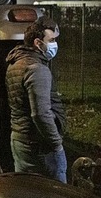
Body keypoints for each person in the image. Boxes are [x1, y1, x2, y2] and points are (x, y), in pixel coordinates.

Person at [5, 16, 67, 183]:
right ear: (38, 43)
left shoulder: (15, 62)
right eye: (52, 40)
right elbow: (40, 113)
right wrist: (56, 144)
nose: (55, 44)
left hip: (20, 139)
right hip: (40, 146)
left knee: (27, 195)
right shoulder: (37, 69)